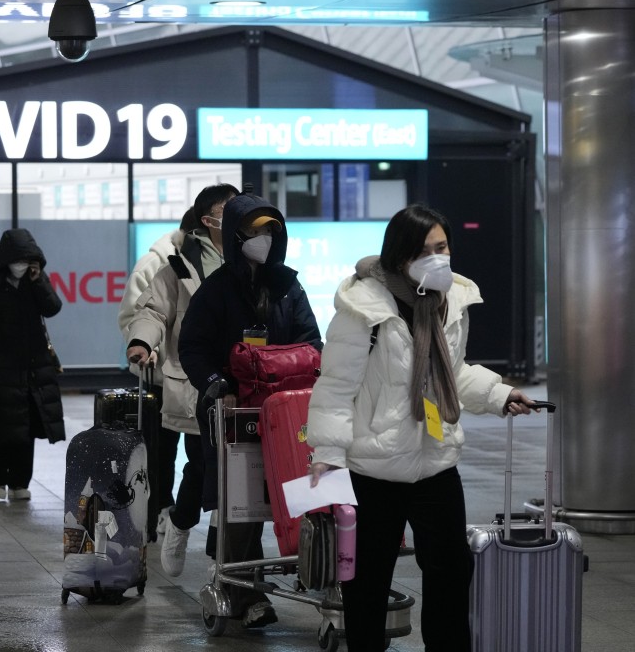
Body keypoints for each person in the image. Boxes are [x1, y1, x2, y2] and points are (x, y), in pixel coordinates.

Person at [306, 204, 536, 651]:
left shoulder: (451, 302)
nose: (438, 258)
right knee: (368, 580)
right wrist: (328, 455)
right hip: (374, 468)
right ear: (399, 256)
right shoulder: (362, 309)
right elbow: (335, 387)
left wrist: (499, 394)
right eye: (425, 250)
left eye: (442, 246)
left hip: (435, 460)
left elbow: (452, 371)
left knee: (452, 570)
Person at [178, 193, 322, 629]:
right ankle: (247, 594)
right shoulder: (216, 290)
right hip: (235, 412)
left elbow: (311, 341)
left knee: (309, 496)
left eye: (270, 232)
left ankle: (321, 574)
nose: (263, 240)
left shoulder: (288, 287)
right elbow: (192, 347)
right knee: (242, 508)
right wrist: (215, 384)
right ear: (235, 235)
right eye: (255, 232)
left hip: (287, 414)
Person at [124, 183, 237, 576]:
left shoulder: (253, 259)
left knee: (238, 471)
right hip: (197, 379)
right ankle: (180, 521)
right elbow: (152, 310)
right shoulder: (177, 266)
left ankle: (225, 559)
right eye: (227, 210)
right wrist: (142, 341)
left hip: (245, 380)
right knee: (203, 464)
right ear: (208, 220)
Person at [118, 206, 203, 539]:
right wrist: (148, 347)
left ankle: (180, 512)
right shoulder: (155, 264)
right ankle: (160, 508)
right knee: (159, 451)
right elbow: (133, 316)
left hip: (194, 376)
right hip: (158, 377)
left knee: (198, 452)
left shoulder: (214, 264)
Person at [0, 229, 65, 501]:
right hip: (2, 363)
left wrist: (39, 280)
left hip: (34, 364)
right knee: (6, 426)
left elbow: (53, 307)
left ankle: (20, 482)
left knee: (27, 427)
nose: (22, 265)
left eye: (27, 260)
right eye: (19, 260)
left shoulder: (37, 280)